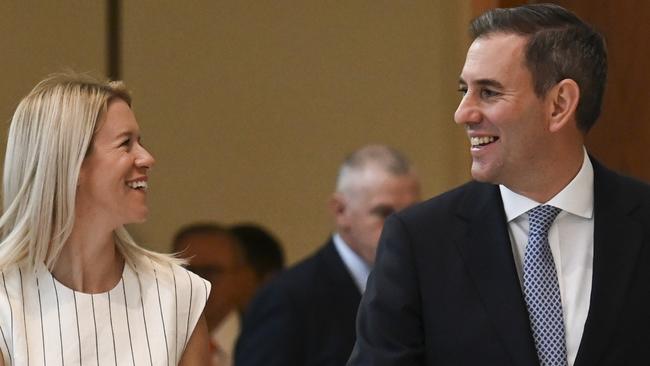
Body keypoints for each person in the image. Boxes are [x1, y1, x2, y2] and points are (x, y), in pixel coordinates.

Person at [348, 4, 650, 366]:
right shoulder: (419, 241)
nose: (464, 113)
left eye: (488, 92)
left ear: (559, 104)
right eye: (465, 90)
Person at [0, 73, 210, 365]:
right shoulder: (5, 298)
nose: (147, 158)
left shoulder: (179, 292)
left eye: (141, 142)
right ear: (70, 164)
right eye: (126, 144)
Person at [235, 144, 421, 366]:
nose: (400, 230)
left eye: (410, 215)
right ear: (340, 211)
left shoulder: (421, 287)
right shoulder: (288, 298)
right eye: (383, 214)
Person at [173, 223, 284, 366]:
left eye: (211, 271)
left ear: (240, 278)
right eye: (186, 270)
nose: (198, 282)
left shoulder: (272, 346)